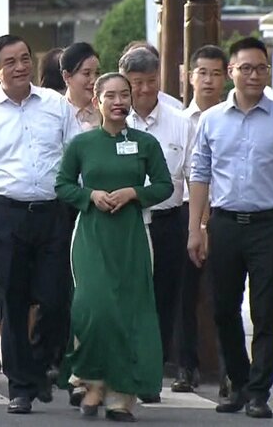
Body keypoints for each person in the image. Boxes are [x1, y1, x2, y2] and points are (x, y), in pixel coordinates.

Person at [188, 37, 273, 419]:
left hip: (268, 226)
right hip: (223, 224)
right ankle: (237, 382)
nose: (254, 75)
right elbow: (200, 175)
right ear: (231, 73)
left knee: (266, 311)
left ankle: (259, 391)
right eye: (246, 68)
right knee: (223, 308)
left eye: (261, 68)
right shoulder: (211, 120)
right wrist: (196, 228)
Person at [0, 34, 81, 415]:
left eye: (24, 58)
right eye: (10, 62)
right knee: (12, 302)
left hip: (52, 212)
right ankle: (20, 385)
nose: (20, 67)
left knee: (55, 298)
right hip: (5, 214)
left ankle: (41, 363)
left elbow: (74, 156)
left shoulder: (55, 105)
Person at [56, 72, 173, 422]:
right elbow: (62, 185)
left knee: (129, 313)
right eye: (111, 95)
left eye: (125, 94)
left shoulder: (145, 143)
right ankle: (89, 381)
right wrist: (89, 195)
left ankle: (121, 396)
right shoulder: (81, 144)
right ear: (97, 102)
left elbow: (165, 186)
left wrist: (135, 193)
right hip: (91, 234)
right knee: (93, 308)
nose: (119, 101)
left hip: (132, 236)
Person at [120, 48, 195, 403]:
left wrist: (199, 225)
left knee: (164, 302)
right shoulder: (117, 121)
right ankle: (124, 370)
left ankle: (152, 372)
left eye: (151, 82)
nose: (145, 90)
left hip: (169, 221)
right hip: (127, 223)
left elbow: (196, 177)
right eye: (137, 83)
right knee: (127, 301)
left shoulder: (180, 120)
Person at [172, 44, 229, 395]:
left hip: (225, 215)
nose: (208, 80)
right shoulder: (178, 120)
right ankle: (185, 366)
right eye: (202, 72)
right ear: (189, 76)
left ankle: (229, 370)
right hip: (186, 215)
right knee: (185, 295)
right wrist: (197, 223)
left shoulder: (234, 118)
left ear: (226, 77)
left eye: (216, 73)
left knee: (225, 294)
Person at [121, 41, 184, 111]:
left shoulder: (176, 108)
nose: (145, 89)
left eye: (151, 81)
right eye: (138, 82)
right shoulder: (116, 111)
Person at [61, 42, 101, 130]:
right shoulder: (56, 112)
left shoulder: (106, 112)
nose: (94, 80)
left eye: (97, 73)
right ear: (67, 76)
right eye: (86, 73)